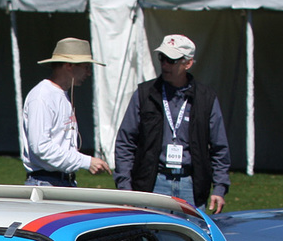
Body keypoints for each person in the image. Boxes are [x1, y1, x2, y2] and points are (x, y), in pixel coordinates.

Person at [113, 33, 230, 212]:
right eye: (162, 58)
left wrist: (220, 187)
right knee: (150, 237)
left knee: (190, 238)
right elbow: (125, 142)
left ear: (188, 63)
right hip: (152, 183)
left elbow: (219, 147)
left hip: (191, 184)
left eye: (172, 60)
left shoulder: (206, 98)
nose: (165, 64)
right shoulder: (145, 93)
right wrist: (125, 187)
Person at [22, 37, 108, 186]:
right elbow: (40, 147)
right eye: (86, 67)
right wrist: (86, 161)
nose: (88, 73)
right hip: (45, 182)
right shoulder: (42, 96)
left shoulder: (61, 94)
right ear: (69, 65)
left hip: (62, 181)